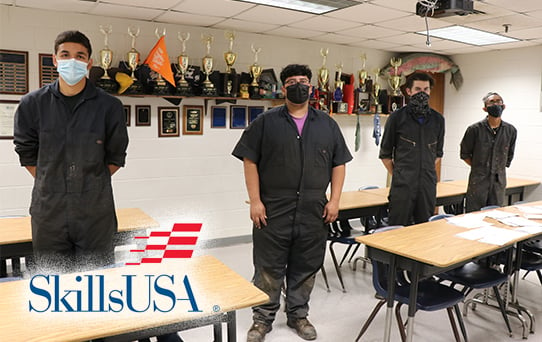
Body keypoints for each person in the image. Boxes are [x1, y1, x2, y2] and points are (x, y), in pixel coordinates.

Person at [232, 64, 352, 342]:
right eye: (292, 81)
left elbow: (339, 164)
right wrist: (255, 201)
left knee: (306, 266)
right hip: (273, 210)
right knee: (268, 268)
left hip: (313, 210)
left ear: (311, 87)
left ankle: (298, 315)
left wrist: (334, 200)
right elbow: (250, 161)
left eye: (303, 81)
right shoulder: (266, 122)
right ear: (283, 88)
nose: (299, 85)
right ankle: (262, 319)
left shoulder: (327, 124)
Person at [379, 72, 445, 226]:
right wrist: (400, 174)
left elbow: (438, 154)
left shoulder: (438, 120)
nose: (422, 93)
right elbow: (385, 155)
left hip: (427, 186)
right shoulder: (396, 118)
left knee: (424, 229)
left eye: (426, 89)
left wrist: (423, 170)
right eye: (417, 89)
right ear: (408, 91)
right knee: (398, 229)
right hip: (403, 187)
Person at [460, 92, 517, 212]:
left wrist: (495, 167)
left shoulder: (510, 130)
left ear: (504, 106)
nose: (495, 104)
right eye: (491, 102)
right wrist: (478, 166)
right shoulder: (474, 129)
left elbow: (509, 156)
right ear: (485, 108)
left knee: (496, 214)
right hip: (478, 181)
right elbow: (464, 154)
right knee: (474, 214)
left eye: (498, 101)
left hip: (498, 181)